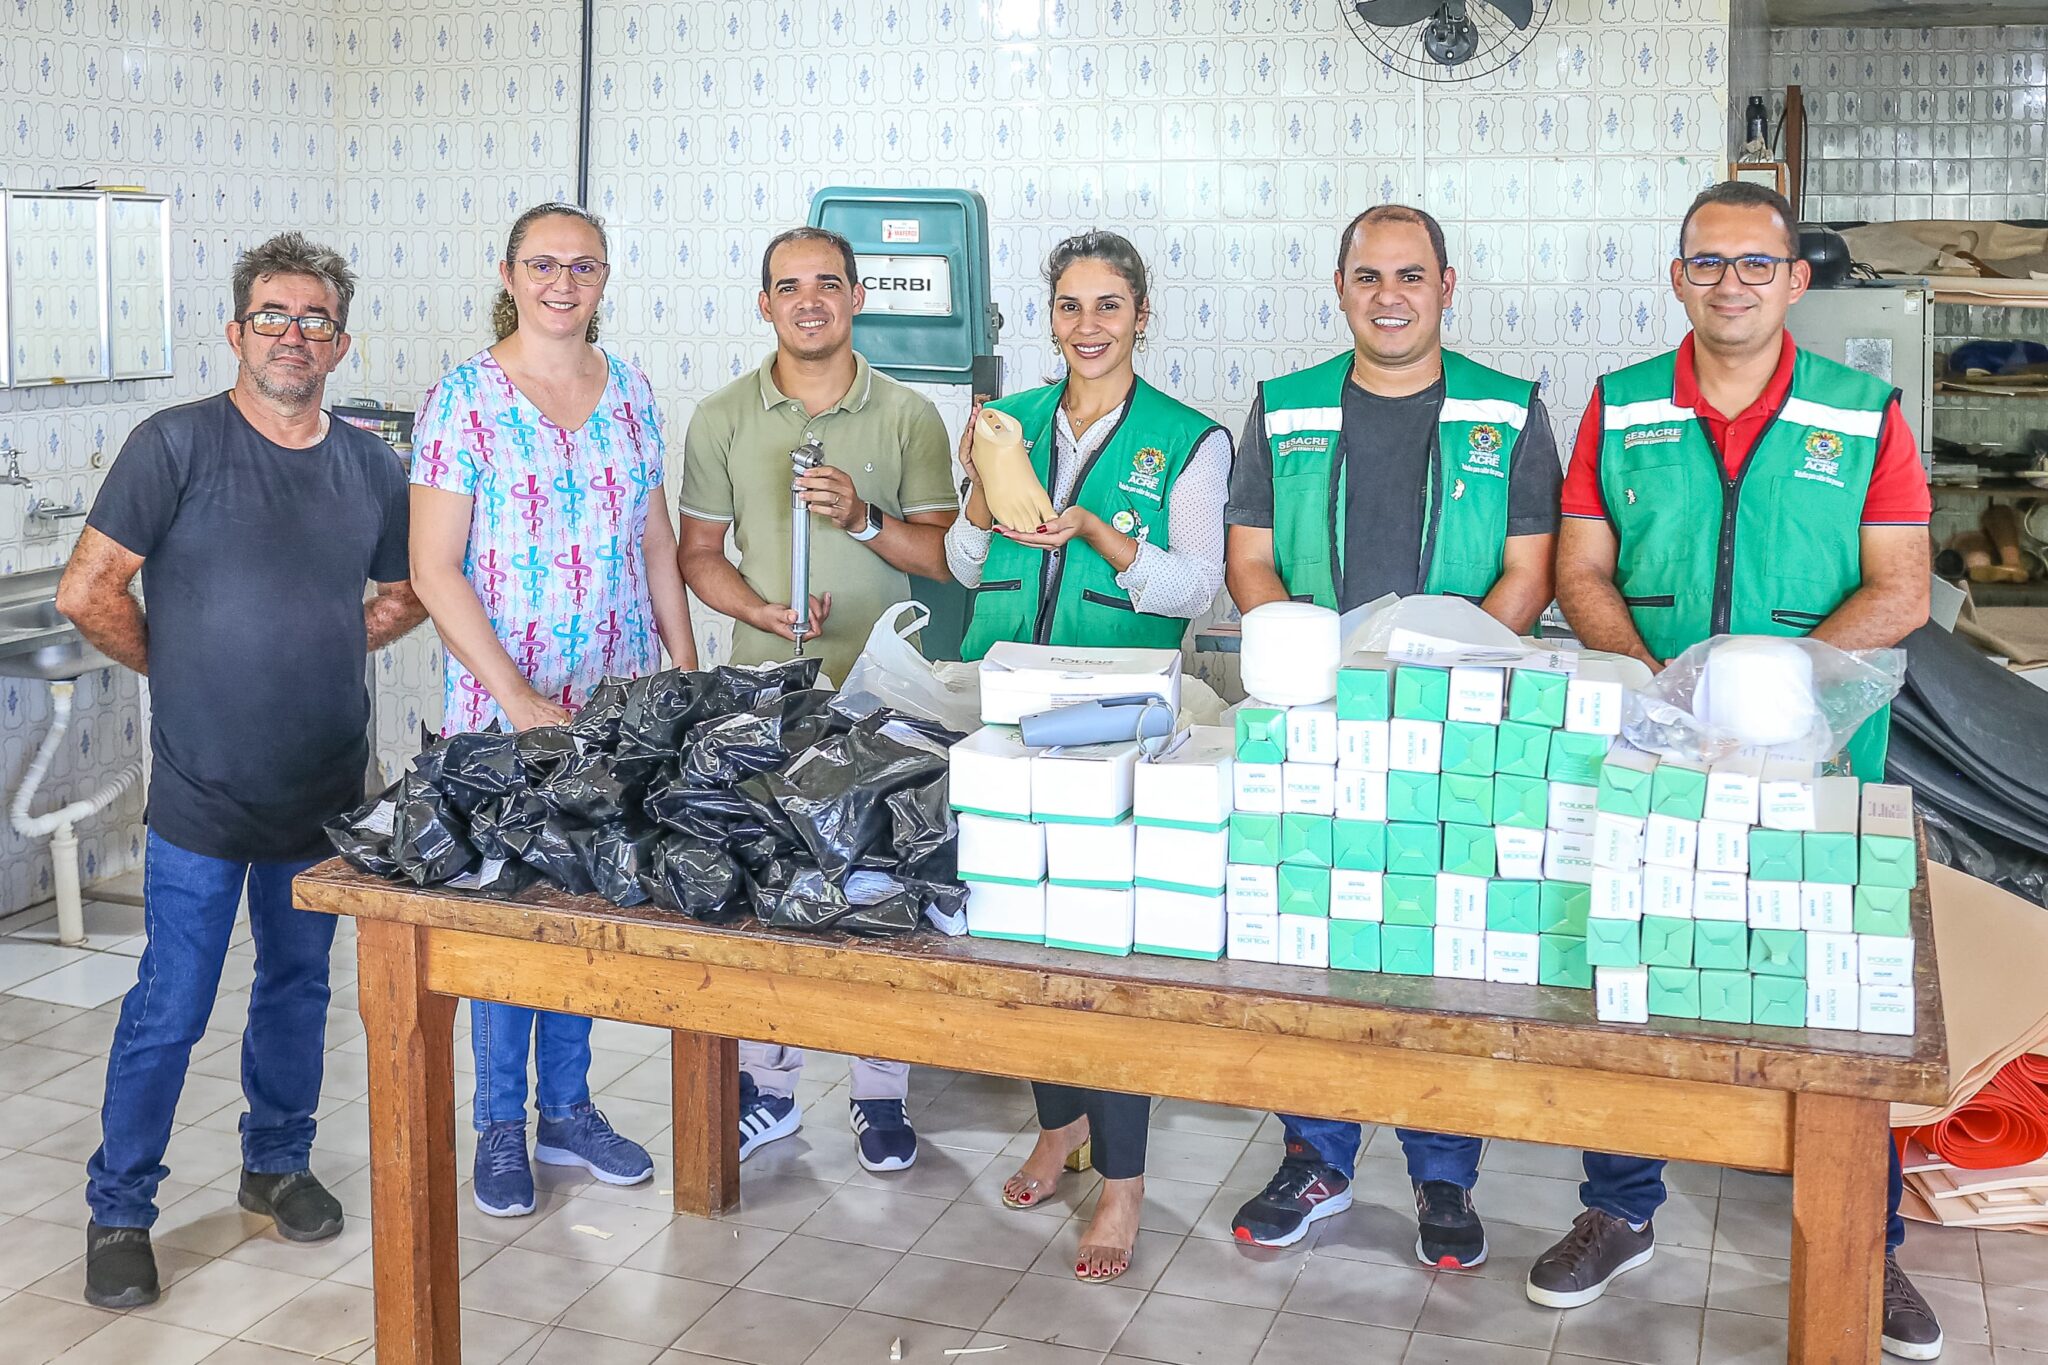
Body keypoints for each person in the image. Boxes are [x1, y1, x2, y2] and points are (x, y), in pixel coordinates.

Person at [1546, 179, 1941, 1360]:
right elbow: (1581, 574)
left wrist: (1771, 697)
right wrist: (1674, 698)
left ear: (1793, 281)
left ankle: (1863, 1249)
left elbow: (1902, 587)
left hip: (1813, 757)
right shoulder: (1617, 407)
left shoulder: (1862, 410)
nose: (1729, 283)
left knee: (1837, 1001)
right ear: (1676, 277)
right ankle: (1615, 1211)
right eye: (1705, 263)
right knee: (1630, 972)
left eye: (1753, 264)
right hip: (1653, 748)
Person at [56, 233, 425, 1308]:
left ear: (341, 343)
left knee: (298, 990)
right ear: (235, 331)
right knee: (171, 1003)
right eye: (272, 316)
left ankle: (277, 1163)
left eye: (314, 320)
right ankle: (120, 1211)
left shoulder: (369, 465)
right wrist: (183, 661)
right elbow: (90, 590)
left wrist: (318, 643)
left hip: (324, 794)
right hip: (201, 796)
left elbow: (401, 592)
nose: (292, 336)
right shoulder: (172, 445)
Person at [1224, 204, 1562, 1266]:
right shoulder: (1282, 410)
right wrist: (1316, 680)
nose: (1388, 296)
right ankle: (1314, 1158)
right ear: (1339, 289)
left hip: (1451, 723)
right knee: (1313, 939)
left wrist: (1434, 679)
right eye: (1367, 277)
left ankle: (1442, 1178)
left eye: (1408, 276)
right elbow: (1248, 563)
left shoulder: (1508, 411)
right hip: (1315, 720)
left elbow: (1528, 572)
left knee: (1438, 945)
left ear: (1445, 286)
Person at [950, 230, 1231, 1281]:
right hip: (1007, 690)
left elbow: (1199, 590)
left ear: (1142, 315)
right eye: (1069, 306)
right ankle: (1057, 1125)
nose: (1087, 326)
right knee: (1018, 926)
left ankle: (1121, 1183)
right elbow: (962, 560)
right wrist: (985, 500)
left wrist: (1102, 537)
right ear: (1049, 316)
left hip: (1118, 711)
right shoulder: (1007, 423)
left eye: (1108, 306)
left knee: (1108, 953)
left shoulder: (1188, 439)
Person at [409, 201, 697, 1218]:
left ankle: (568, 1111)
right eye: (543, 264)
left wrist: (683, 674)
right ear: (509, 272)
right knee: (508, 919)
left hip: (615, 701)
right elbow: (433, 569)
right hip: (505, 715)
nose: (561, 282)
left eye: (583, 266)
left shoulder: (630, 393)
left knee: (587, 908)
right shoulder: (464, 402)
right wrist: (516, 695)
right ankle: (499, 1125)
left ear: (604, 279)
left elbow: (654, 545)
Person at [678, 225, 957, 1173]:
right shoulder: (722, 418)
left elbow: (945, 558)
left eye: (828, 285)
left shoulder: (911, 417)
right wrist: (758, 606)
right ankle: (771, 1085)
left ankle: (881, 1094)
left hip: (884, 695)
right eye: (789, 287)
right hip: (770, 691)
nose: (809, 301)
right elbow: (698, 558)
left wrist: (861, 517)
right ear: (764, 304)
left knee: (884, 890)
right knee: (771, 891)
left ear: (856, 296)